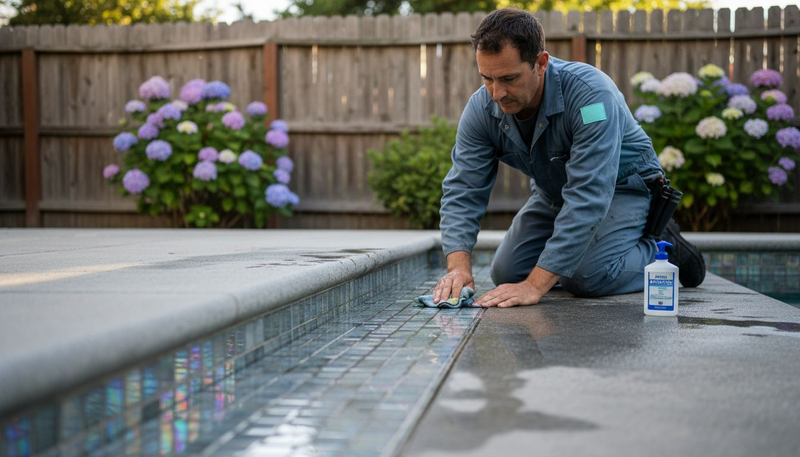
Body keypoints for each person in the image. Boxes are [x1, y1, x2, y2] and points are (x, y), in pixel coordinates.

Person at [433, 7, 705, 308]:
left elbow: (590, 194)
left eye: (509, 78)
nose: (497, 93)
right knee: (507, 272)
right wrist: (458, 267)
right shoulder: (481, 109)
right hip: (555, 195)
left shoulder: (591, 98)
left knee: (588, 277)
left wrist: (535, 286)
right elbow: (463, 190)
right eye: (487, 79)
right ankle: (588, 253)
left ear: (541, 63)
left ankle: (662, 247)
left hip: (623, 188)